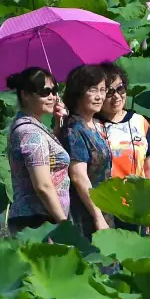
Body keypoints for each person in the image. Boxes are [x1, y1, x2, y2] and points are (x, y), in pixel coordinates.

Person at [62, 61, 150, 234]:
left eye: (120, 89)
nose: (116, 96)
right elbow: (78, 174)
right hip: (108, 206)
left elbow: (149, 168)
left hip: (138, 205)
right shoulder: (90, 125)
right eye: (108, 91)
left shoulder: (140, 123)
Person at [4, 67, 70, 232]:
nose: (52, 97)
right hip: (37, 222)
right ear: (25, 95)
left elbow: (49, 155)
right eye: (44, 92)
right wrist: (64, 225)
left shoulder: (33, 127)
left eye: (54, 91)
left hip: (42, 219)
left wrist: (57, 124)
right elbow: (43, 185)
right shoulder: (29, 132)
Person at [57, 64, 114, 235]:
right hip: (86, 214)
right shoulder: (74, 129)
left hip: (104, 207)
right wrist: (98, 216)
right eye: (92, 90)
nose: (99, 96)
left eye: (103, 90)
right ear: (78, 93)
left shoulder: (92, 125)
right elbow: (78, 176)